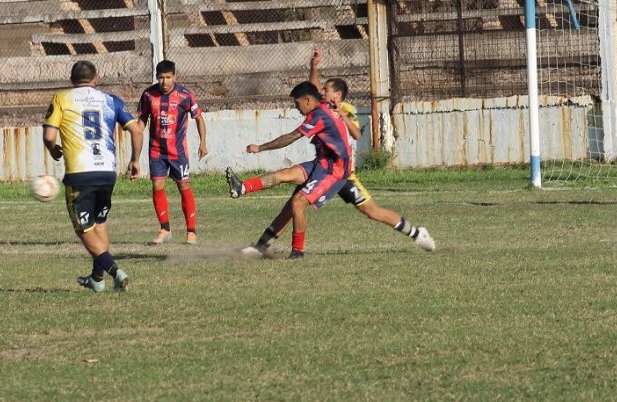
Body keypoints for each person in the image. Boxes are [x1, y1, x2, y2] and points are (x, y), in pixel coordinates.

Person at [240, 49, 435, 258]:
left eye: (327, 90)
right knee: (294, 205)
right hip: (324, 169)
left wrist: (339, 112)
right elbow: (313, 90)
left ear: (338, 95)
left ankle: (416, 233)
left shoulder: (346, 111)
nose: (322, 92)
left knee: (371, 211)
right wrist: (314, 66)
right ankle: (261, 247)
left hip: (344, 175)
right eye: (322, 90)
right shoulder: (322, 106)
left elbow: (355, 134)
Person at [43, 60, 143, 292]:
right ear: (96, 79)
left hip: (81, 173)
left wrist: (53, 149)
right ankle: (97, 280)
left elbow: (49, 135)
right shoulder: (110, 100)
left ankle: (115, 271)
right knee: (99, 223)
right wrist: (135, 160)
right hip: (107, 172)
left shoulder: (62, 98)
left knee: (84, 229)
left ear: (71, 80)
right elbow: (136, 129)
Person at [225, 81, 353, 260]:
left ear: (307, 100)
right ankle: (242, 188)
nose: (296, 107)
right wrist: (314, 65)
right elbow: (313, 85)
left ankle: (297, 252)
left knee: (297, 203)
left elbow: (291, 137)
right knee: (283, 175)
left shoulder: (320, 115)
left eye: (297, 102)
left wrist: (261, 147)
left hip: (335, 171)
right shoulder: (319, 106)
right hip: (322, 163)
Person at [136, 60, 208, 245]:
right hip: (156, 151)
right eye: (161, 77)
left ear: (175, 76)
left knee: (184, 188)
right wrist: (136, 137)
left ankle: (191, 232)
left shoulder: (185, 95)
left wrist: (203, 143)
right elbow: (142, 120)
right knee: (157, 187)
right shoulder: (148, 95)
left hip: (178, 153)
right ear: (156, 77)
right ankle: (164, 229)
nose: (164, 81)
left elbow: (199, 118)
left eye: (168, 77)